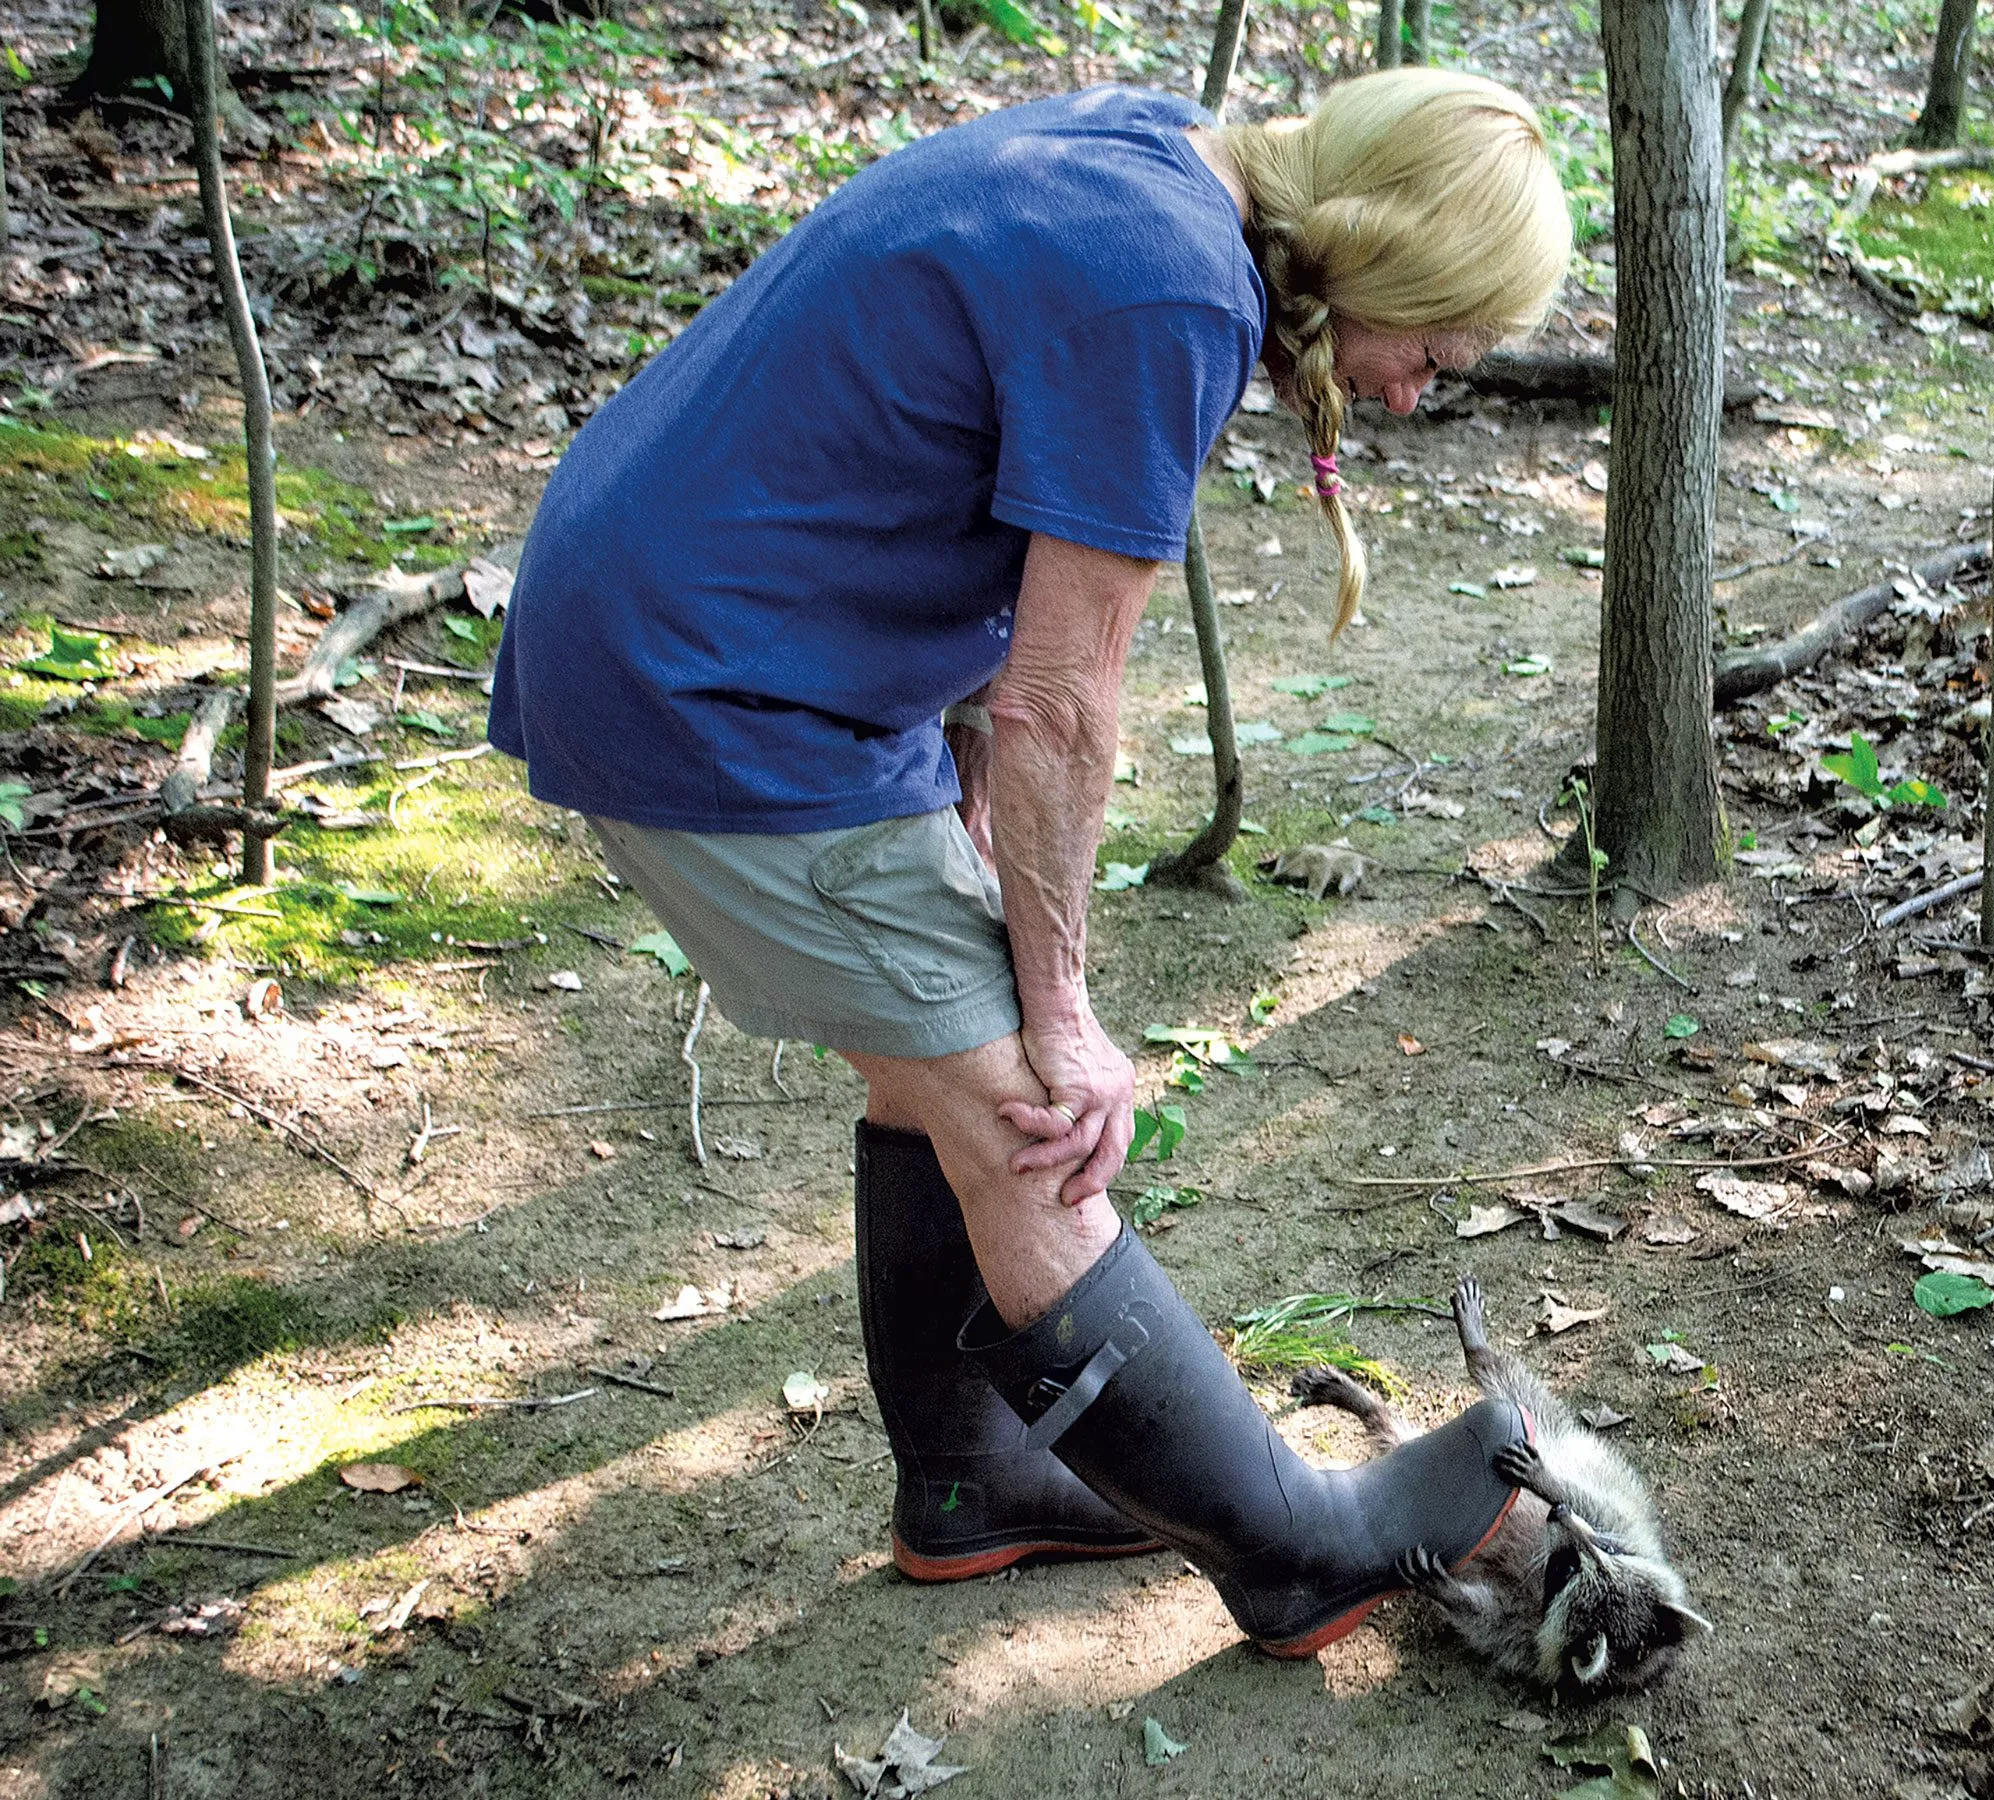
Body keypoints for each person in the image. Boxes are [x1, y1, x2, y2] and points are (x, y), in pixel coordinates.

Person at [489, 67, 1573, 1656]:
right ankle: (1299, 1551)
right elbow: (1061, 698)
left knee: (933, 1066)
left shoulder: (1152, 158)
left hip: (680, 620)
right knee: (1025, 1120)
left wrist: (973, 807)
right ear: (1385, 265)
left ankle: (973, 1482)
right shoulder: (1174, 295)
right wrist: (1061, 1009)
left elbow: (942, 474)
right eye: (1437, 352)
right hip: (713, 684)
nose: (1415, 395)